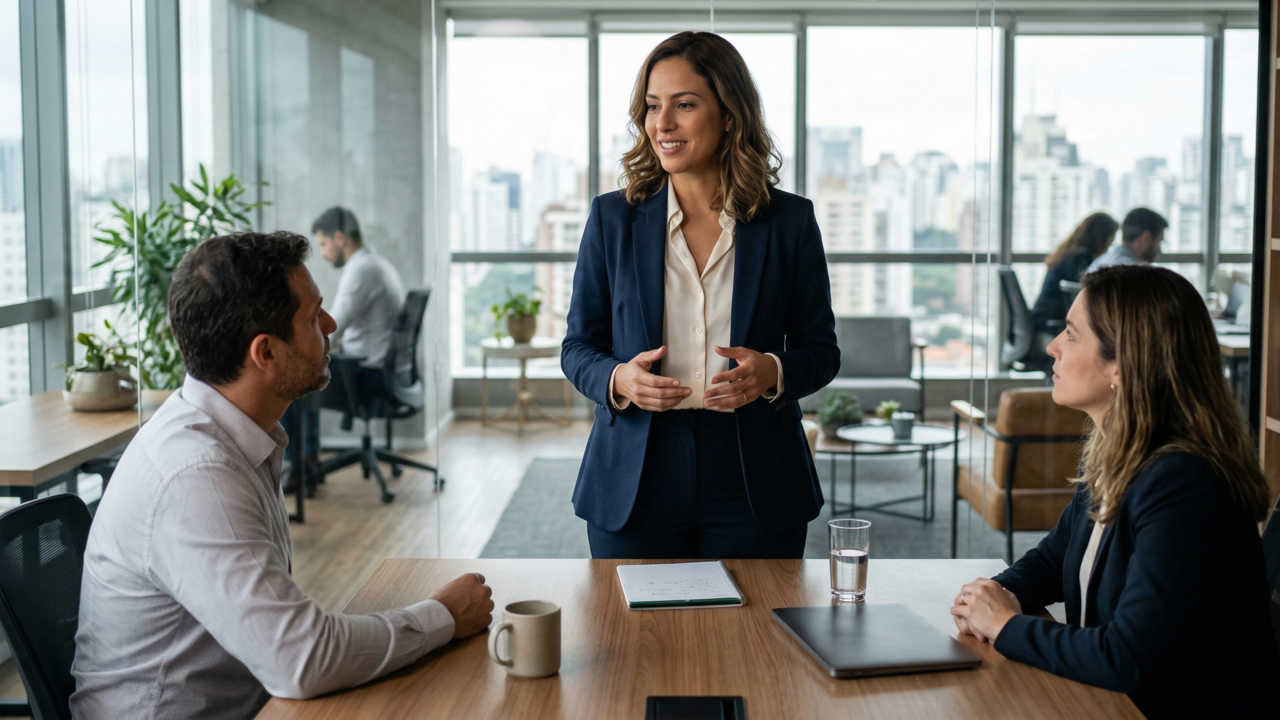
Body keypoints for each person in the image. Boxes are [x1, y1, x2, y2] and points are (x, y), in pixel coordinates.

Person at [71, 232, 494, 719]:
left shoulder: (231, 433)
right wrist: (441, 616)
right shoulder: (196, 477)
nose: (332, 324)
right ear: (266, 353)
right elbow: (303, 658)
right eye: (314, 317)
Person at [949, 265, 1278, 719]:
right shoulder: (1119, 452)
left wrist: (1004, 625)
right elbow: (1052, 560)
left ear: (1122, 365)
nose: (1051, 347)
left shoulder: (1185, 483)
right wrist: (989, 595)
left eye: (1070, 334)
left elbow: (1127, 658)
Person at [561, 32, 839, 560]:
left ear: (730, 115)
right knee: (636, 639)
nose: (662, 124)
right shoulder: (611, 219)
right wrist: (619, 378)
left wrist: (772, 373)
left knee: (758, 639)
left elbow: (822, 351)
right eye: (652, 106)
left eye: (684, 105)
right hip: (636, 473)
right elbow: (577, 348)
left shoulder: (789, 222)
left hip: (754, 472)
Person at [302, 206, 404, 470]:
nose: (323, 253)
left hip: (366, 376)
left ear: (339, 238)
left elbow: (332, 329)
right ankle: (306, 461)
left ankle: (301, 466)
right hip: (386, 372)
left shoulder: (361, 271)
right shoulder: (376, 263)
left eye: (323, 244)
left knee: (293, 376)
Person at [1030, 212, 1117, 348]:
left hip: (1041, 325)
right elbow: (1083, 297)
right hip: (1050, 330)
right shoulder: (1080, 258)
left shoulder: (1070, 253)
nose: (1109, 247)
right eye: (1111, 240)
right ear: (1102, 238)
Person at [1085, 207, 1166, 272]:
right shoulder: (1140, 272)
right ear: (1146, 238)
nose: (1160, 251)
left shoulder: (1100, 262)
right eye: (1159, 241)